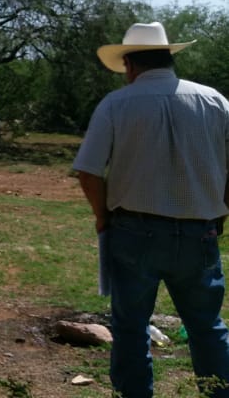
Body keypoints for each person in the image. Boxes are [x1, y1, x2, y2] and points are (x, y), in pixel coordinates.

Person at [74, 22, 229, 398]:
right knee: (207, 325)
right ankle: (219, 391)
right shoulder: (214, 101)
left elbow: (89, 171)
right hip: (200, 230)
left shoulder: (117, 103)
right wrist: (220, 213)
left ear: (129, 64)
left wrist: (102, 216)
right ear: (168, 58)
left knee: (130, 327)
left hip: (134, 231)